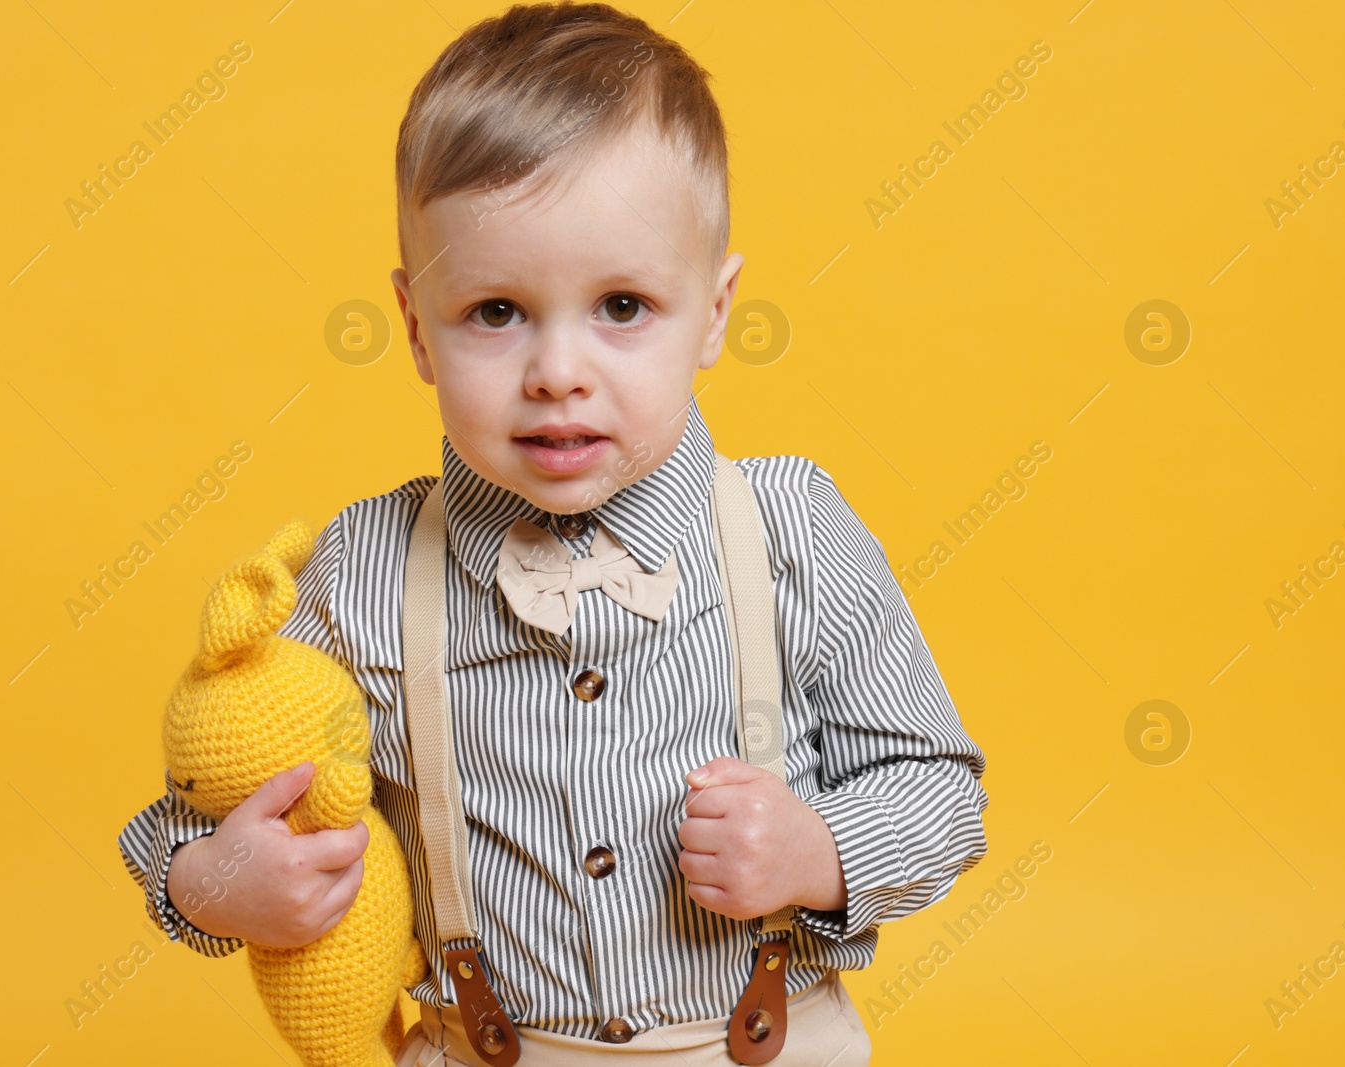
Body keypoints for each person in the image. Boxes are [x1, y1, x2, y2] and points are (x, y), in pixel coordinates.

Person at [116, 4, 988, 1063]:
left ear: (713, 313)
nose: (556, 371)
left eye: (621, 304)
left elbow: (940, 791)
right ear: (415, 328)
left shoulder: (794, 530)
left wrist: (821, 851)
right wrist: (214, 883)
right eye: (495, 312)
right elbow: (189, 813)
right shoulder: (363, 572)